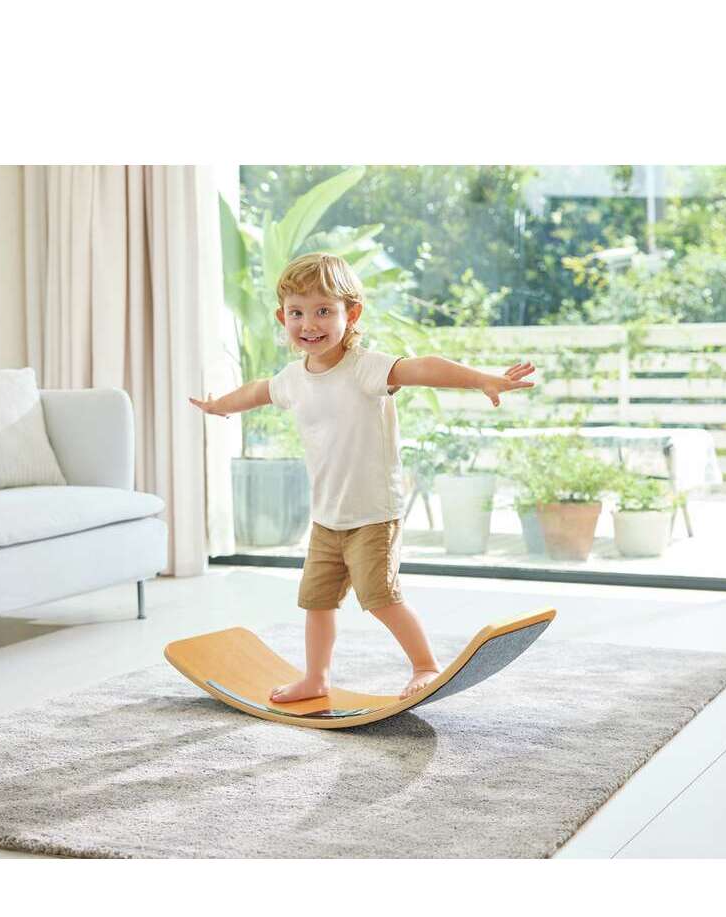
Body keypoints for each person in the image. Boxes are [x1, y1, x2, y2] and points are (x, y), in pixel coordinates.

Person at [190, 252, 534, 702]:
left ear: (351, 315)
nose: (308, 324)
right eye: (297, 313)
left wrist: (482, 379)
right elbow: (257, 391)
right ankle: (316, 678)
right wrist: (220, 406)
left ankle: (425, 665)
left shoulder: (365, 367)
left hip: (373, 514)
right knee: (316, 602)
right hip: (327, 518)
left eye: (323, 311)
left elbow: (424, 367)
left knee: (381, 599)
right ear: (282, 317)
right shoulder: (293, 378)